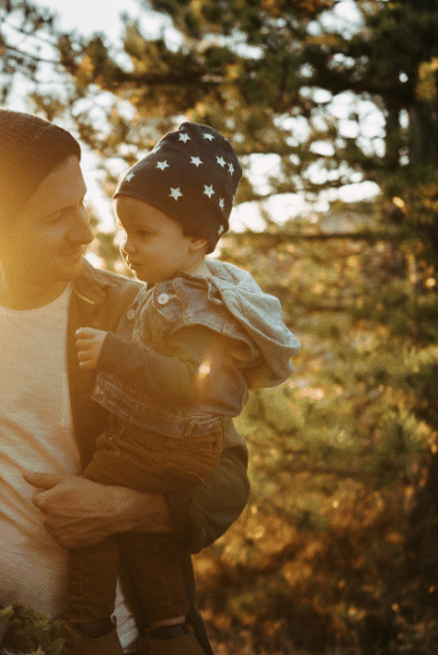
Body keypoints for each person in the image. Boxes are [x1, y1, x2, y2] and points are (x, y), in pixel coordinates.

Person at [0, 110, 252, 654]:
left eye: (81, 204)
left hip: (125, 640)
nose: (85, 231)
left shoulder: (141, 315)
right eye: (58, 215)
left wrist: (121, 507)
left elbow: (227, 477)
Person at [69, 122, 301, 654]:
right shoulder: (171, 292)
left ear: (197, 238)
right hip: (166, 445)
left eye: (144, 234)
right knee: (147, 539)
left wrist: (114, 352)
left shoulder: (197, 307)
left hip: (167, 446)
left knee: (88, 510)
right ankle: (170, 628)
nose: (127, 248)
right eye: (125, 232)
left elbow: (186, 384)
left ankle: (88, 624)